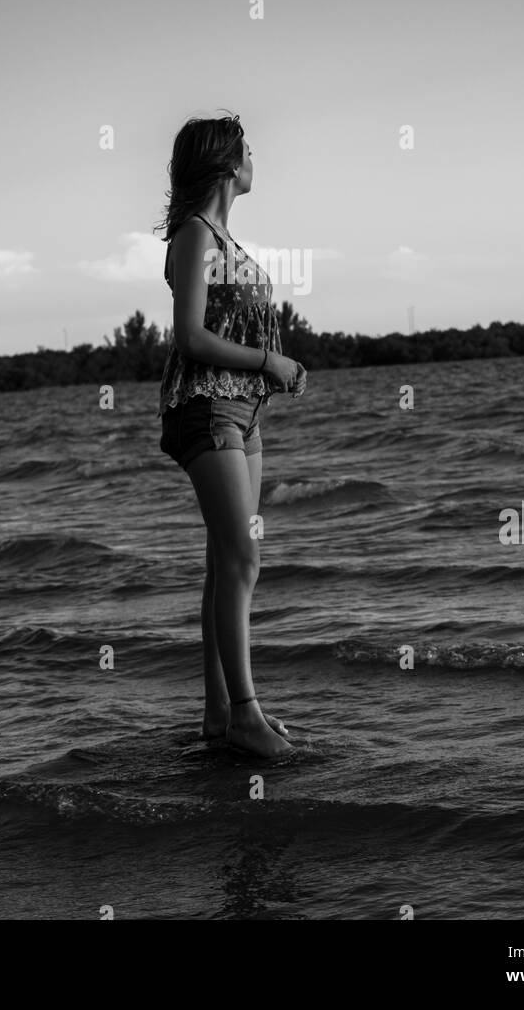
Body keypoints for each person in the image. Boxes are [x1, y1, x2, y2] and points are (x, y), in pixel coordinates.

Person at [155, 112, 306, 759]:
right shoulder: (194, 236)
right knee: (244, 559)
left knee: (226, 563)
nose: (255, 160)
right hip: (207, 406)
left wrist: (271, 372)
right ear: (225, 164)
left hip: (245, 414)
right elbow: (190, 336)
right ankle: (246, 713)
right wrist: (269, 362)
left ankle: (220, 713)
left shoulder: (225, 239)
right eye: (247, 150)